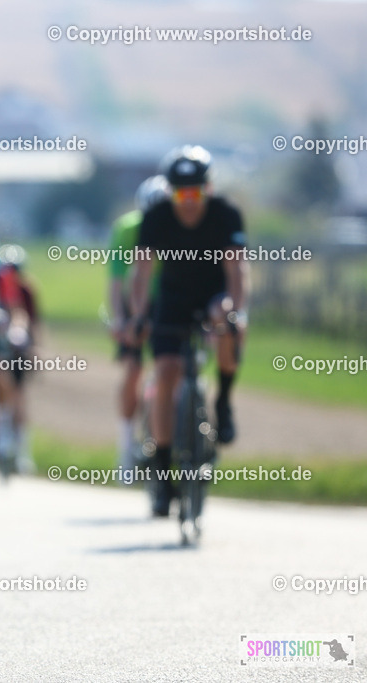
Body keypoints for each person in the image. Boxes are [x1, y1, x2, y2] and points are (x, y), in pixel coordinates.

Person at [129, 146, 248, 517]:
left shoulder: (226, 214)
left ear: (208, 189)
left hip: (214, 294)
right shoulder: (156, 217)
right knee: (166, 371)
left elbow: (236, 270)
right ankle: (163, 466)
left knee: (229, 327)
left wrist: (233, 309)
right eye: (181, 195)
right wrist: (139, 316)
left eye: (196, 193)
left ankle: (223, 401)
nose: (189, 202)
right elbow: (141, 273)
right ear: (170, 193)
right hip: (174, 299)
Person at [107, 175, 169, 473]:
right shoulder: (126, 229)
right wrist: (120, 318)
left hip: (168, 301)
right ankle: (126, 445)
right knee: (133, 370)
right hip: (135, 302)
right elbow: (117, 281)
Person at [0, 244, 40, 473]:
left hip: (17, 348)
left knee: (19, 397)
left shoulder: (27, 291)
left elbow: (30, 320)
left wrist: (30, 345)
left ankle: (22, 450)